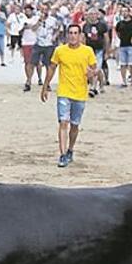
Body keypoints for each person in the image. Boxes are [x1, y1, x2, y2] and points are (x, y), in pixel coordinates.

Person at [41, 24, 97, 168]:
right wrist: (45, 86)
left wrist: (92, 75)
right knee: (63, 122)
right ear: (67, 35)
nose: (73, 36)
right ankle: (63, 154)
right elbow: (52, 68)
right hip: (64, 92)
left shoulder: (87, 51)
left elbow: (94, 69)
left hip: (80, 92)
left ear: (80, 35)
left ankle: (70, 149)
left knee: (75, 124)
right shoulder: (60, 51)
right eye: (70, 33)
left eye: (75, 33)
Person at [30, 4, 60, 89]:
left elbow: (58, 29)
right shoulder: (36, 18)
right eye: (42, 10)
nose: (44, 11)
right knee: (32, 62)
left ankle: (47, 83)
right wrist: (39, 21)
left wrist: (54, 36)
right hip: (38, 43)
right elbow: (33, 29)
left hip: (49, 44)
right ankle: (30, 81)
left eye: (46, 10)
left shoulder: (53, 20)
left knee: (49, 65)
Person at [82, 8, 110, 95]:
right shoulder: (85, 25)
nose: (93, 16)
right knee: (92, 69)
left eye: (95, 14)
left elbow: (106, 38)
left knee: (97, 68)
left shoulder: (102, 25)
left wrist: (107, 51)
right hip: (89, 50)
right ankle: (100, 85)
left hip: (99, 49)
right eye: (91, 14)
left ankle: (93, 87)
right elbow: (83, 38)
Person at [115, 6, 132, 87]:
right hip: (123, 45)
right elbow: (118, 33)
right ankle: (124, 81)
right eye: (123, 11)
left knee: (131, 64)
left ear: (129, 12)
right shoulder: (119, 24)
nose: (124, 13)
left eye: (126, 11)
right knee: (123, 64)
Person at [20, 4, 37, 92]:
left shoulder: (35, 19)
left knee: (32, 63)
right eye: (26, 10)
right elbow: (19, 31)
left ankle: (29, 79)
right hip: (25, 42)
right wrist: (24, 27)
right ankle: (28, 79)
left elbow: (35, 28)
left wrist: (30, 26)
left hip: (34, 42)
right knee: (27, 62)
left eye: (29, 10)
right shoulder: (22, 18)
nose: (27, 12)